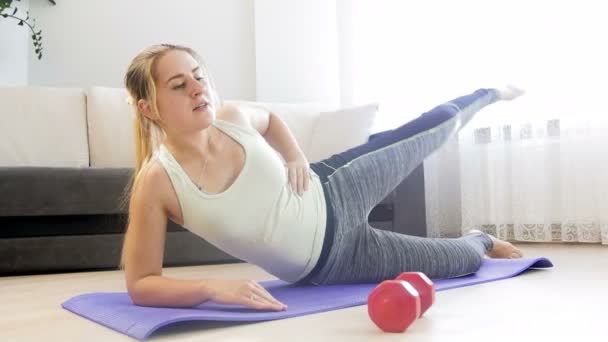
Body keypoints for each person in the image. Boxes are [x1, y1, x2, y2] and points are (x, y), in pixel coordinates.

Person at [120, 43, 524, 312]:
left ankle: (492, 92)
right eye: (178, 84)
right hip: (333, 266)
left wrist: (294, 155)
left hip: (337, 188)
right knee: (462, 260)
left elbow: (273, 121)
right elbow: (141, 283)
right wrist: (211, 289)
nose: (197, 88)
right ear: (149, 109)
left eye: (198, 75)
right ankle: (483, 237)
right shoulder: (157, 182)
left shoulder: (233, 118)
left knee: (433, 128)